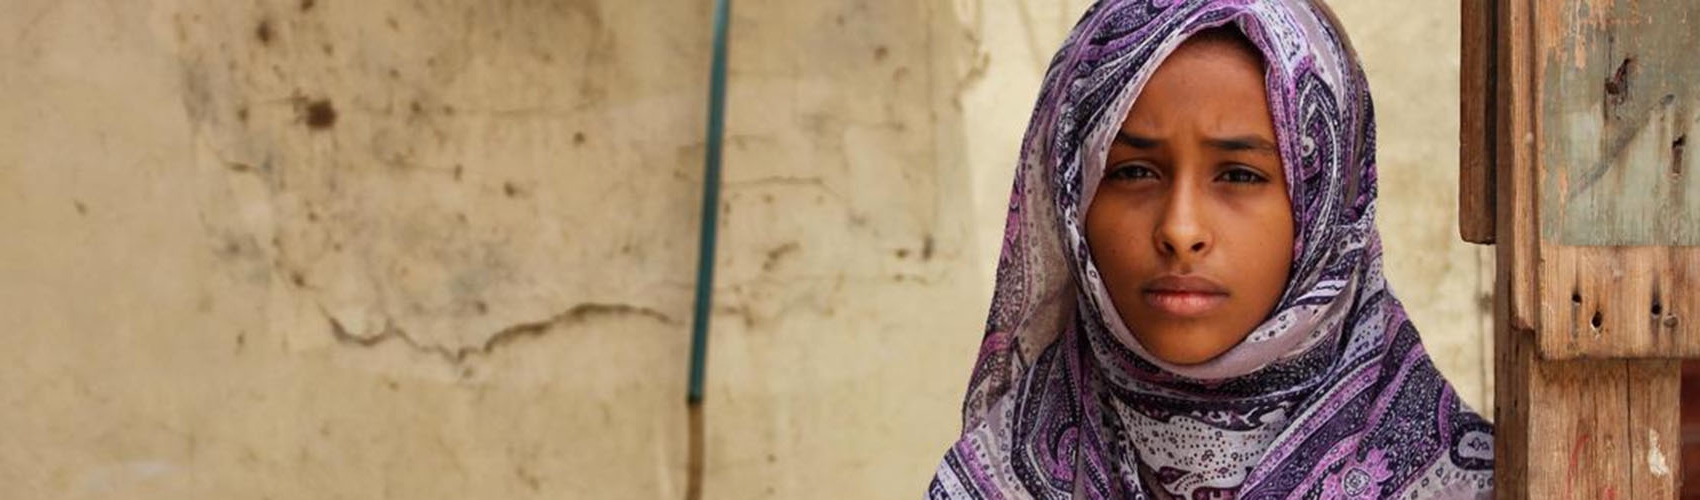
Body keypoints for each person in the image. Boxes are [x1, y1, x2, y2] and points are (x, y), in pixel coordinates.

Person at [927, 0, 1494, 498]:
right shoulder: (996, 483)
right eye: (1134, 171)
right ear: (1071, 201)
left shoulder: (1472, 485)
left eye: (1240, 176)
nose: (1180, 229)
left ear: (1324, 208)